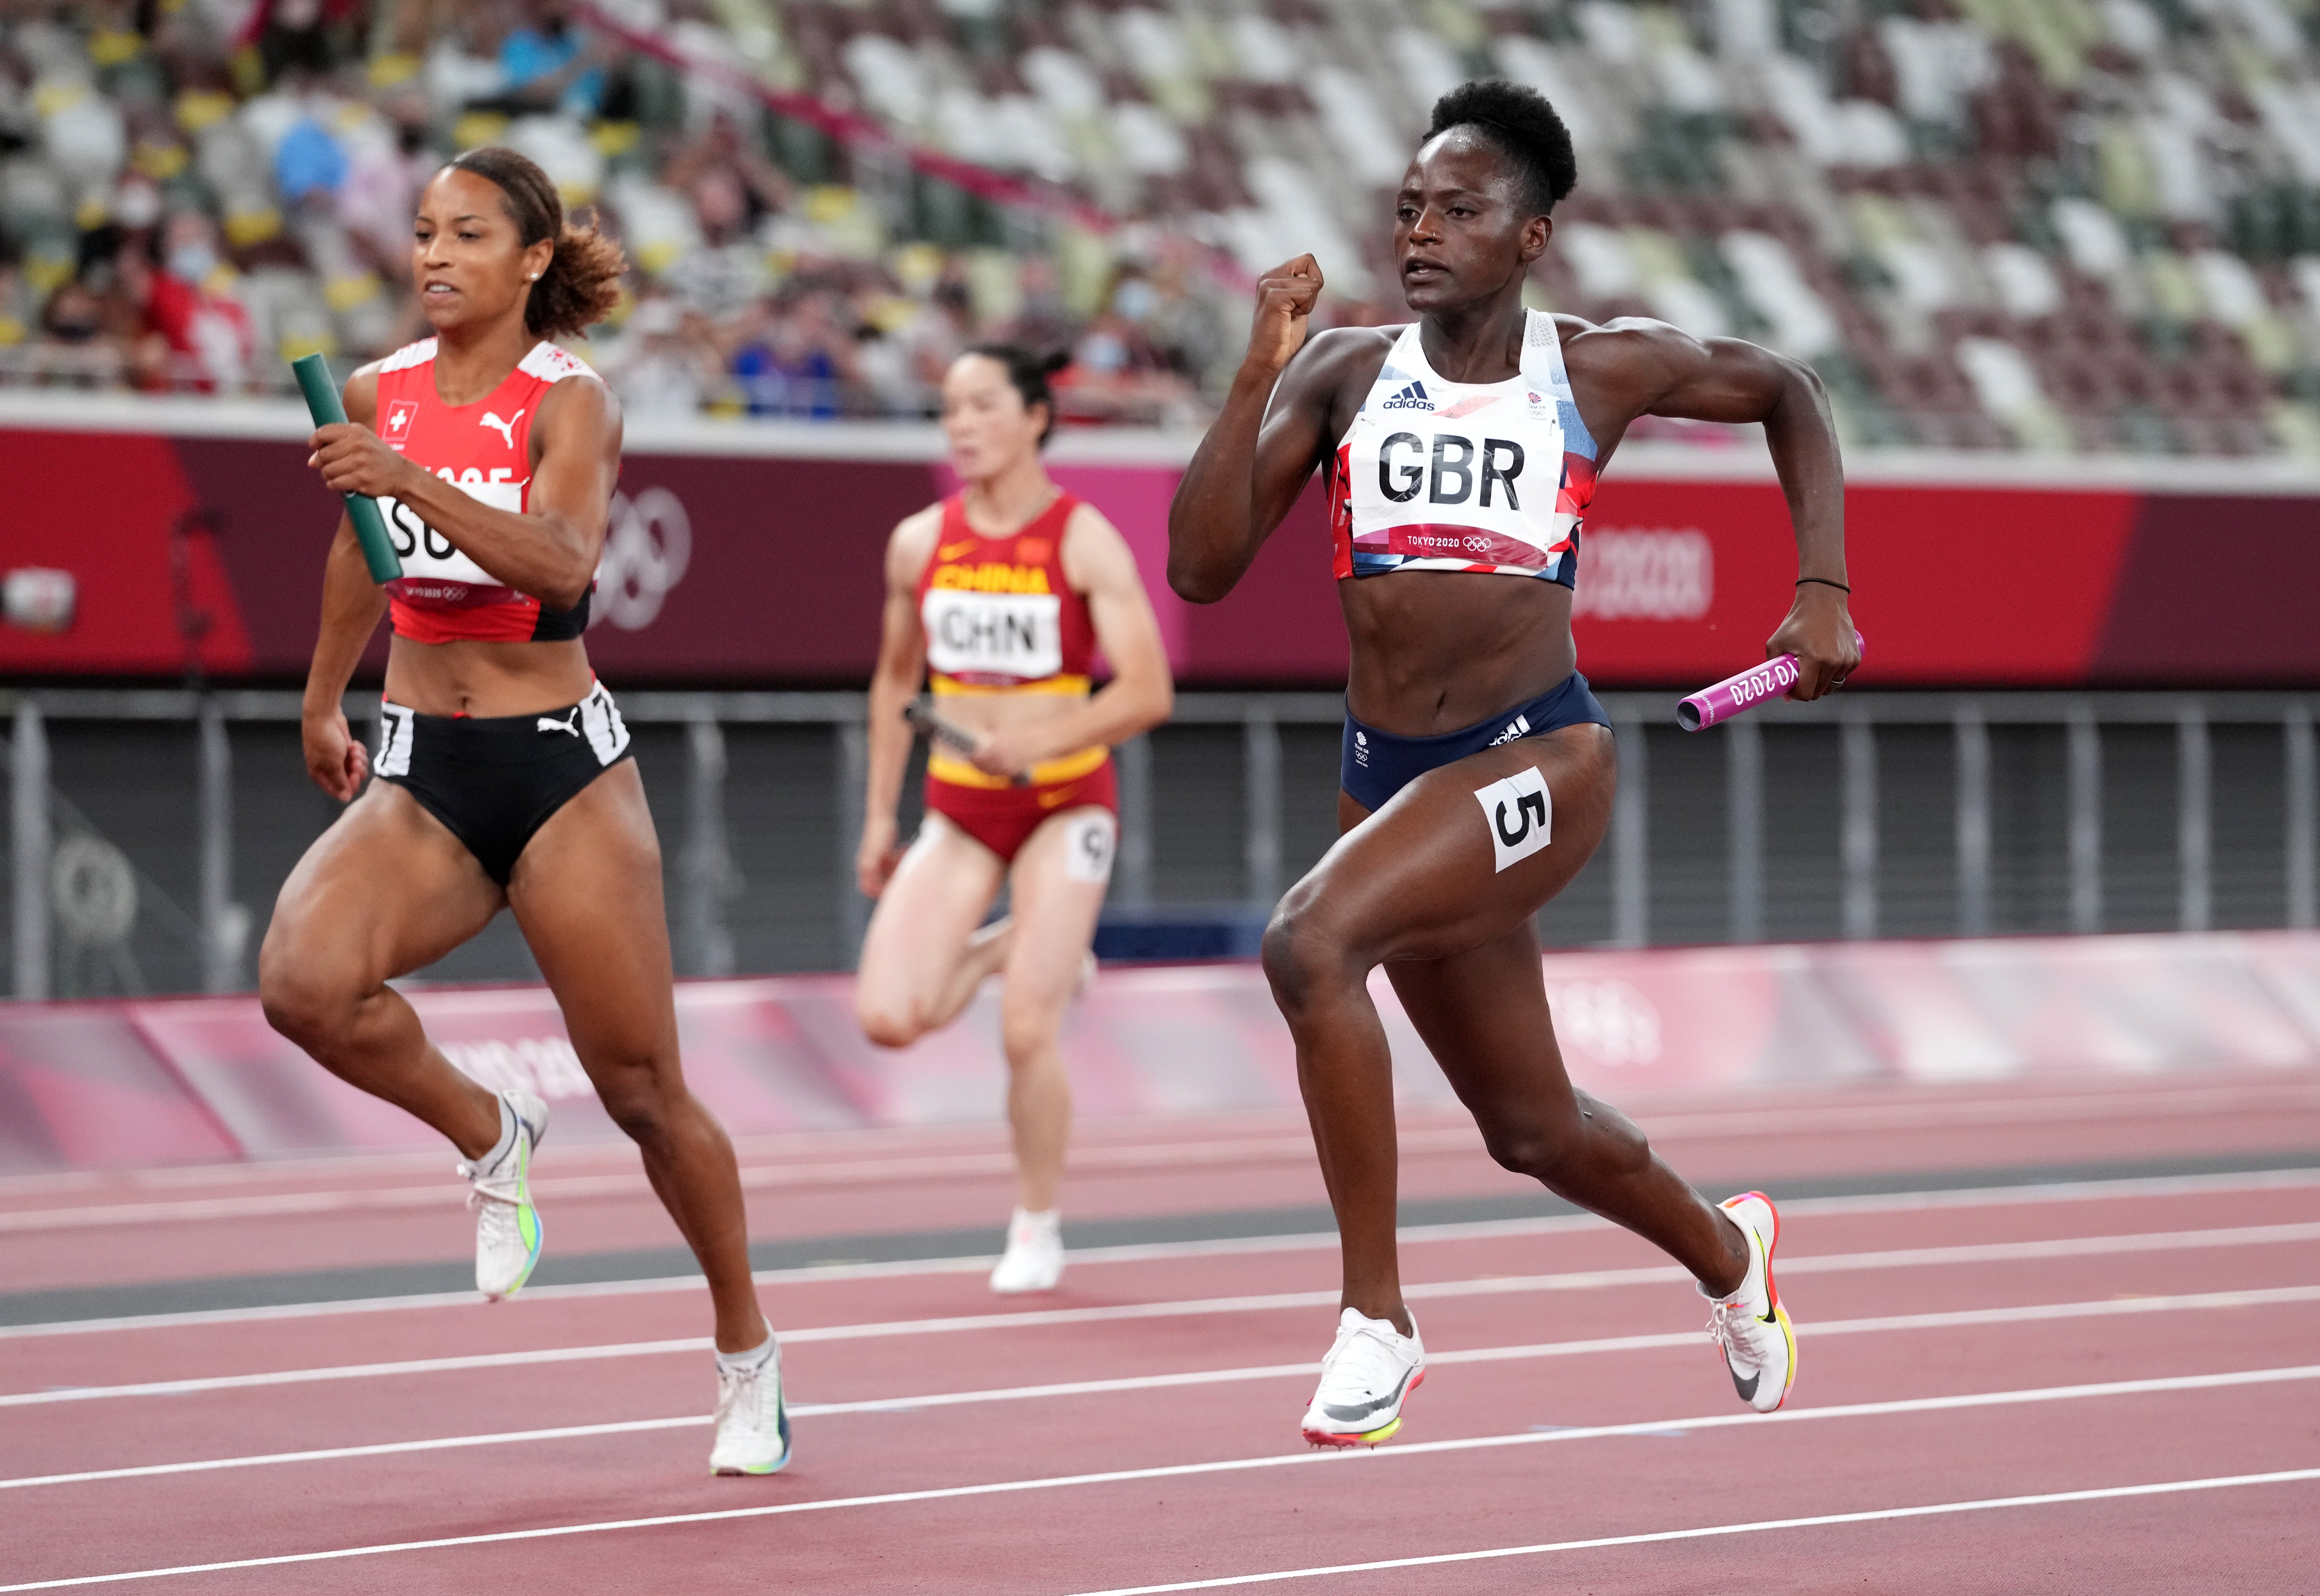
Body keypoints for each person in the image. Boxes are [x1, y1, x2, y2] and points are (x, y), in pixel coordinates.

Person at [1168, 80, 1859, 1448]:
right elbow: (1199, 570)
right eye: (1409, 208)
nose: (1422, 231)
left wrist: (1823, 585)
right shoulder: (1343, 374)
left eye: (1461, 211)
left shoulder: (1595, 367)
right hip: (1394, 780)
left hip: (1537, 755)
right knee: (1532, 1132)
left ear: (1531, 238)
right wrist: (1259, 363)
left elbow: (1792, 388)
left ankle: (1379, 1322)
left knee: (1310, 945)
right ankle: (1732, 1258)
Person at [257, 147, 789, 1476]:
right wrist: (327, 698)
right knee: (304, 986)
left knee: (649, 1095)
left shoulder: (572, 400)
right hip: (425, 766)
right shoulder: (379, 388)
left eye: (468, 236)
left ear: (533, 259)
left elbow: (560, 565)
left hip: (561, 776)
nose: (435, 256)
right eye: (426, 234)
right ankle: (492, 1134)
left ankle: (747, 1356)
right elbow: (355, 551)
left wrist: (408, 480)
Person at [855, 345, 1174, 1293]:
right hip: (961, 802)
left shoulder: (1083, 540)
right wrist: (880, 814)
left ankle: (1036, 1224)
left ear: (1036, 416)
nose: (962, 424)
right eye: (950, 408)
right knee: (889, 1015)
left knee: (1028, 1028)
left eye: (983, 405)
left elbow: (1149, 691)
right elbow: (894, 681)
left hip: (1065, 798)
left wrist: (1044, 741)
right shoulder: (919, 542)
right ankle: (1021, 944)